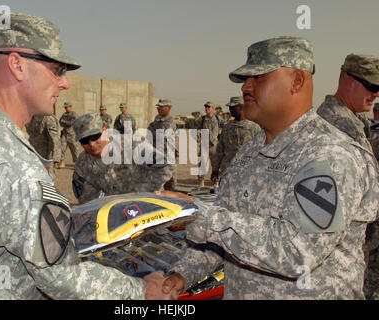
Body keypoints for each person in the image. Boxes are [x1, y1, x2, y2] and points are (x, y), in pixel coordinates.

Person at [0, 11, 170, 300]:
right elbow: (60, 276)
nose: (65, 83)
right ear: (17, 65)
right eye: (56, 70)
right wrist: (141, 291)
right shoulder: (15, 164)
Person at [153, 36, 379, 299]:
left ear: (297, 81)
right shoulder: (249, 152)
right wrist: (182, 274)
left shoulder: (330, 154)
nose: (246, 87)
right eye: (245, 80)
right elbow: (224, 237)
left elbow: (298, 251)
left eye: (259, 77)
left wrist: (198, 216)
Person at [316, 54, 379, 299]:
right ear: (348, 81)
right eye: (371, 86)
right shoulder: (335, 127)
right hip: (335, 268)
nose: (375, 94)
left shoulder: (353, 124)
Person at [72, 113, 174, 205]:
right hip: (118, 211)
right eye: (84, 140)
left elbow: (166, 166)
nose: (91, 144)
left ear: (105, 130)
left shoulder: (132, 145)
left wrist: (138, 191)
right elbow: (86, 199)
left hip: (148, 204)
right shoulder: (82, 163)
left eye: (95, 137)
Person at [211, 96, 261, 184]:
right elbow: (220, 150)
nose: (230, 109)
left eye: (233, 107)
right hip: (227, 171)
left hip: (247, 173)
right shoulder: (227, 127)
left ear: (241, 107)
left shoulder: (254, 128)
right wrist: (215, 170)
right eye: (230, 107)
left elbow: (261, 151)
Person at [147, 99, 178, 191]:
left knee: (171, 184)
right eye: (158, 107)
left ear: (168, 108)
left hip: (167, 156)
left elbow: (162, 136)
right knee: (157, 183)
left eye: (162, 107)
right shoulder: (156, 121)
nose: (159, 109)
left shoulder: (170, 122)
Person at [25, 105, 61, 179]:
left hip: (46, 156)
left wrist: (54, 158)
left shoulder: (48, 119)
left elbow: (54, 140)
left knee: (48, 180)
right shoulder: (31, 118)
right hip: (34, 154)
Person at [195, 101, 221, 188]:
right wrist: (198, 138)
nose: (206, 108)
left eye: (208, 107)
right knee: (202, 164)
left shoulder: (218, 118)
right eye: (205, 107)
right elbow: (194, 128)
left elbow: (227, 127)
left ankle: (216, 183)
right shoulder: (202, 119)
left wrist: (222, 138)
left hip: (215, 146)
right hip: (204, 145)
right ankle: (201, 183)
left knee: (216, 165)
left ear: (213, 108)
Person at [58, 101, 80, 168]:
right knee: (62, 148)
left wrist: (64, 122)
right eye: (65, 107)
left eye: (66, 107)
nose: (65, 109)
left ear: (70, 107)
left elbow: (72, 123)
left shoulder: (74, 114)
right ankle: (62, 162)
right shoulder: (64, 114)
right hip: (65, 134)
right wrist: (65, 123)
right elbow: (60, 122)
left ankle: (77, 163)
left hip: (72, 134)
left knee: (74, 149)